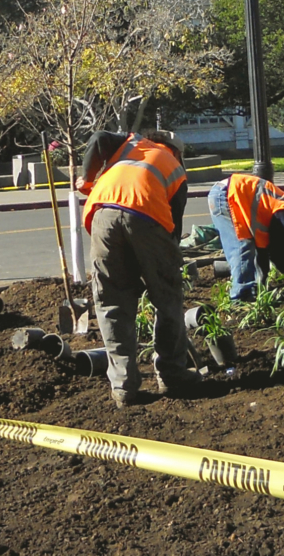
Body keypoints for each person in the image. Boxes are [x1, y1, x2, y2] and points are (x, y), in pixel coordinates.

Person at [76, 130, 198, 407]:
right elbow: (173, 231)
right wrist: (163, 270)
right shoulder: (174, 169)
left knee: (111, 302)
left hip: (103, 213)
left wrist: (89, 178)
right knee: (167, 299)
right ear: (175, 151)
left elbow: (98, 139)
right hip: (148, 215)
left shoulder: (129, 143)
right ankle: (172, 375)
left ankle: (123, 387)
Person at [208, 173, 284, 302]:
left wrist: (268, 283)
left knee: (248, 248)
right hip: (226, 196)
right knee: (241, 249)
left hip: (227, 193)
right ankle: (240, 300)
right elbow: (279, 256)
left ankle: (255, 292)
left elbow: (265, 252)